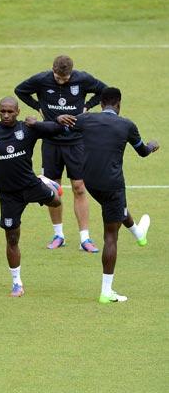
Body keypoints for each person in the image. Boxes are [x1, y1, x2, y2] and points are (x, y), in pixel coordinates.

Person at [38, 87, 159, 303]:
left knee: (117, 209)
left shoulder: (85, 120)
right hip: (112, 185)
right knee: (111, 236)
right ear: (119, 104)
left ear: (101, 104)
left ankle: (139, 234)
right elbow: (143, 152)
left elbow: (58, 128)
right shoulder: (127, 125)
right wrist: (152, 145)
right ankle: (106, 291)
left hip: (90, 183)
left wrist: (45, 121)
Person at [15, 55, 107, 253]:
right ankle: (59, 235)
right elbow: (20, 90)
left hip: (76, 141)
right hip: (50, 142)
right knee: (52, 190)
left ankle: (85, 238)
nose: (61, 81)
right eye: (58, 77)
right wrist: (38, 106)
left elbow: (104, 91)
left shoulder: (82, 79)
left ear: (71, 73)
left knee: (79, 187)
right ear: (53, 70)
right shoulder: (41, 79)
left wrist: (87, 106)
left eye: (65, 79)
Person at [0, 97, 64, 298]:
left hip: (31, 185)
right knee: (12, 237)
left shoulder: (28, 128)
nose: (6, 115)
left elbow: (56, 129)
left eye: (10, 112)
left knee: (56, 201)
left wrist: (37, 123)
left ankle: (46, 182)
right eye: (2, 111)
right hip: (8, 195)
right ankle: (17, 283)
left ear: (18, 111)